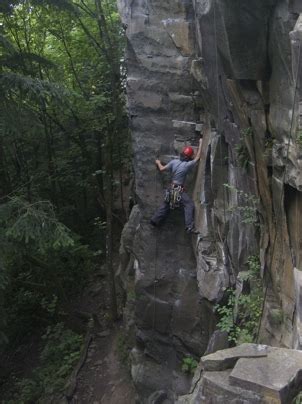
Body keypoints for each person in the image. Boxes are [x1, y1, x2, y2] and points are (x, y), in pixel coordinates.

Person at [150, 138, 202, 232]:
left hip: (170, 188)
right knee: (189, 204)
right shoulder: (187, 165)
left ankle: (154, 220)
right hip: (178, 190)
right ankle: (189, 226)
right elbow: (197, 157)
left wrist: (158, 162)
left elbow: (161, 169)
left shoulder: (174, 162)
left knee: (166, 205)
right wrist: (201, 143)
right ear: (189, 157)